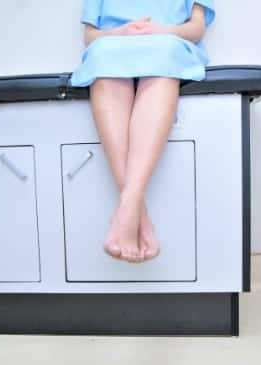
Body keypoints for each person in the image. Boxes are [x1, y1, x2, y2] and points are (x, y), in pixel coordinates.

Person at [70, 0, 215, 264]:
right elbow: (90, 37)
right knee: (103, 55)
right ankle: (137, 214)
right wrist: (120, 33)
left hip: (168, 43)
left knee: (164, 54)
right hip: (114, 45)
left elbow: (196, 28)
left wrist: (161, 30)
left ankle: (126, 211)